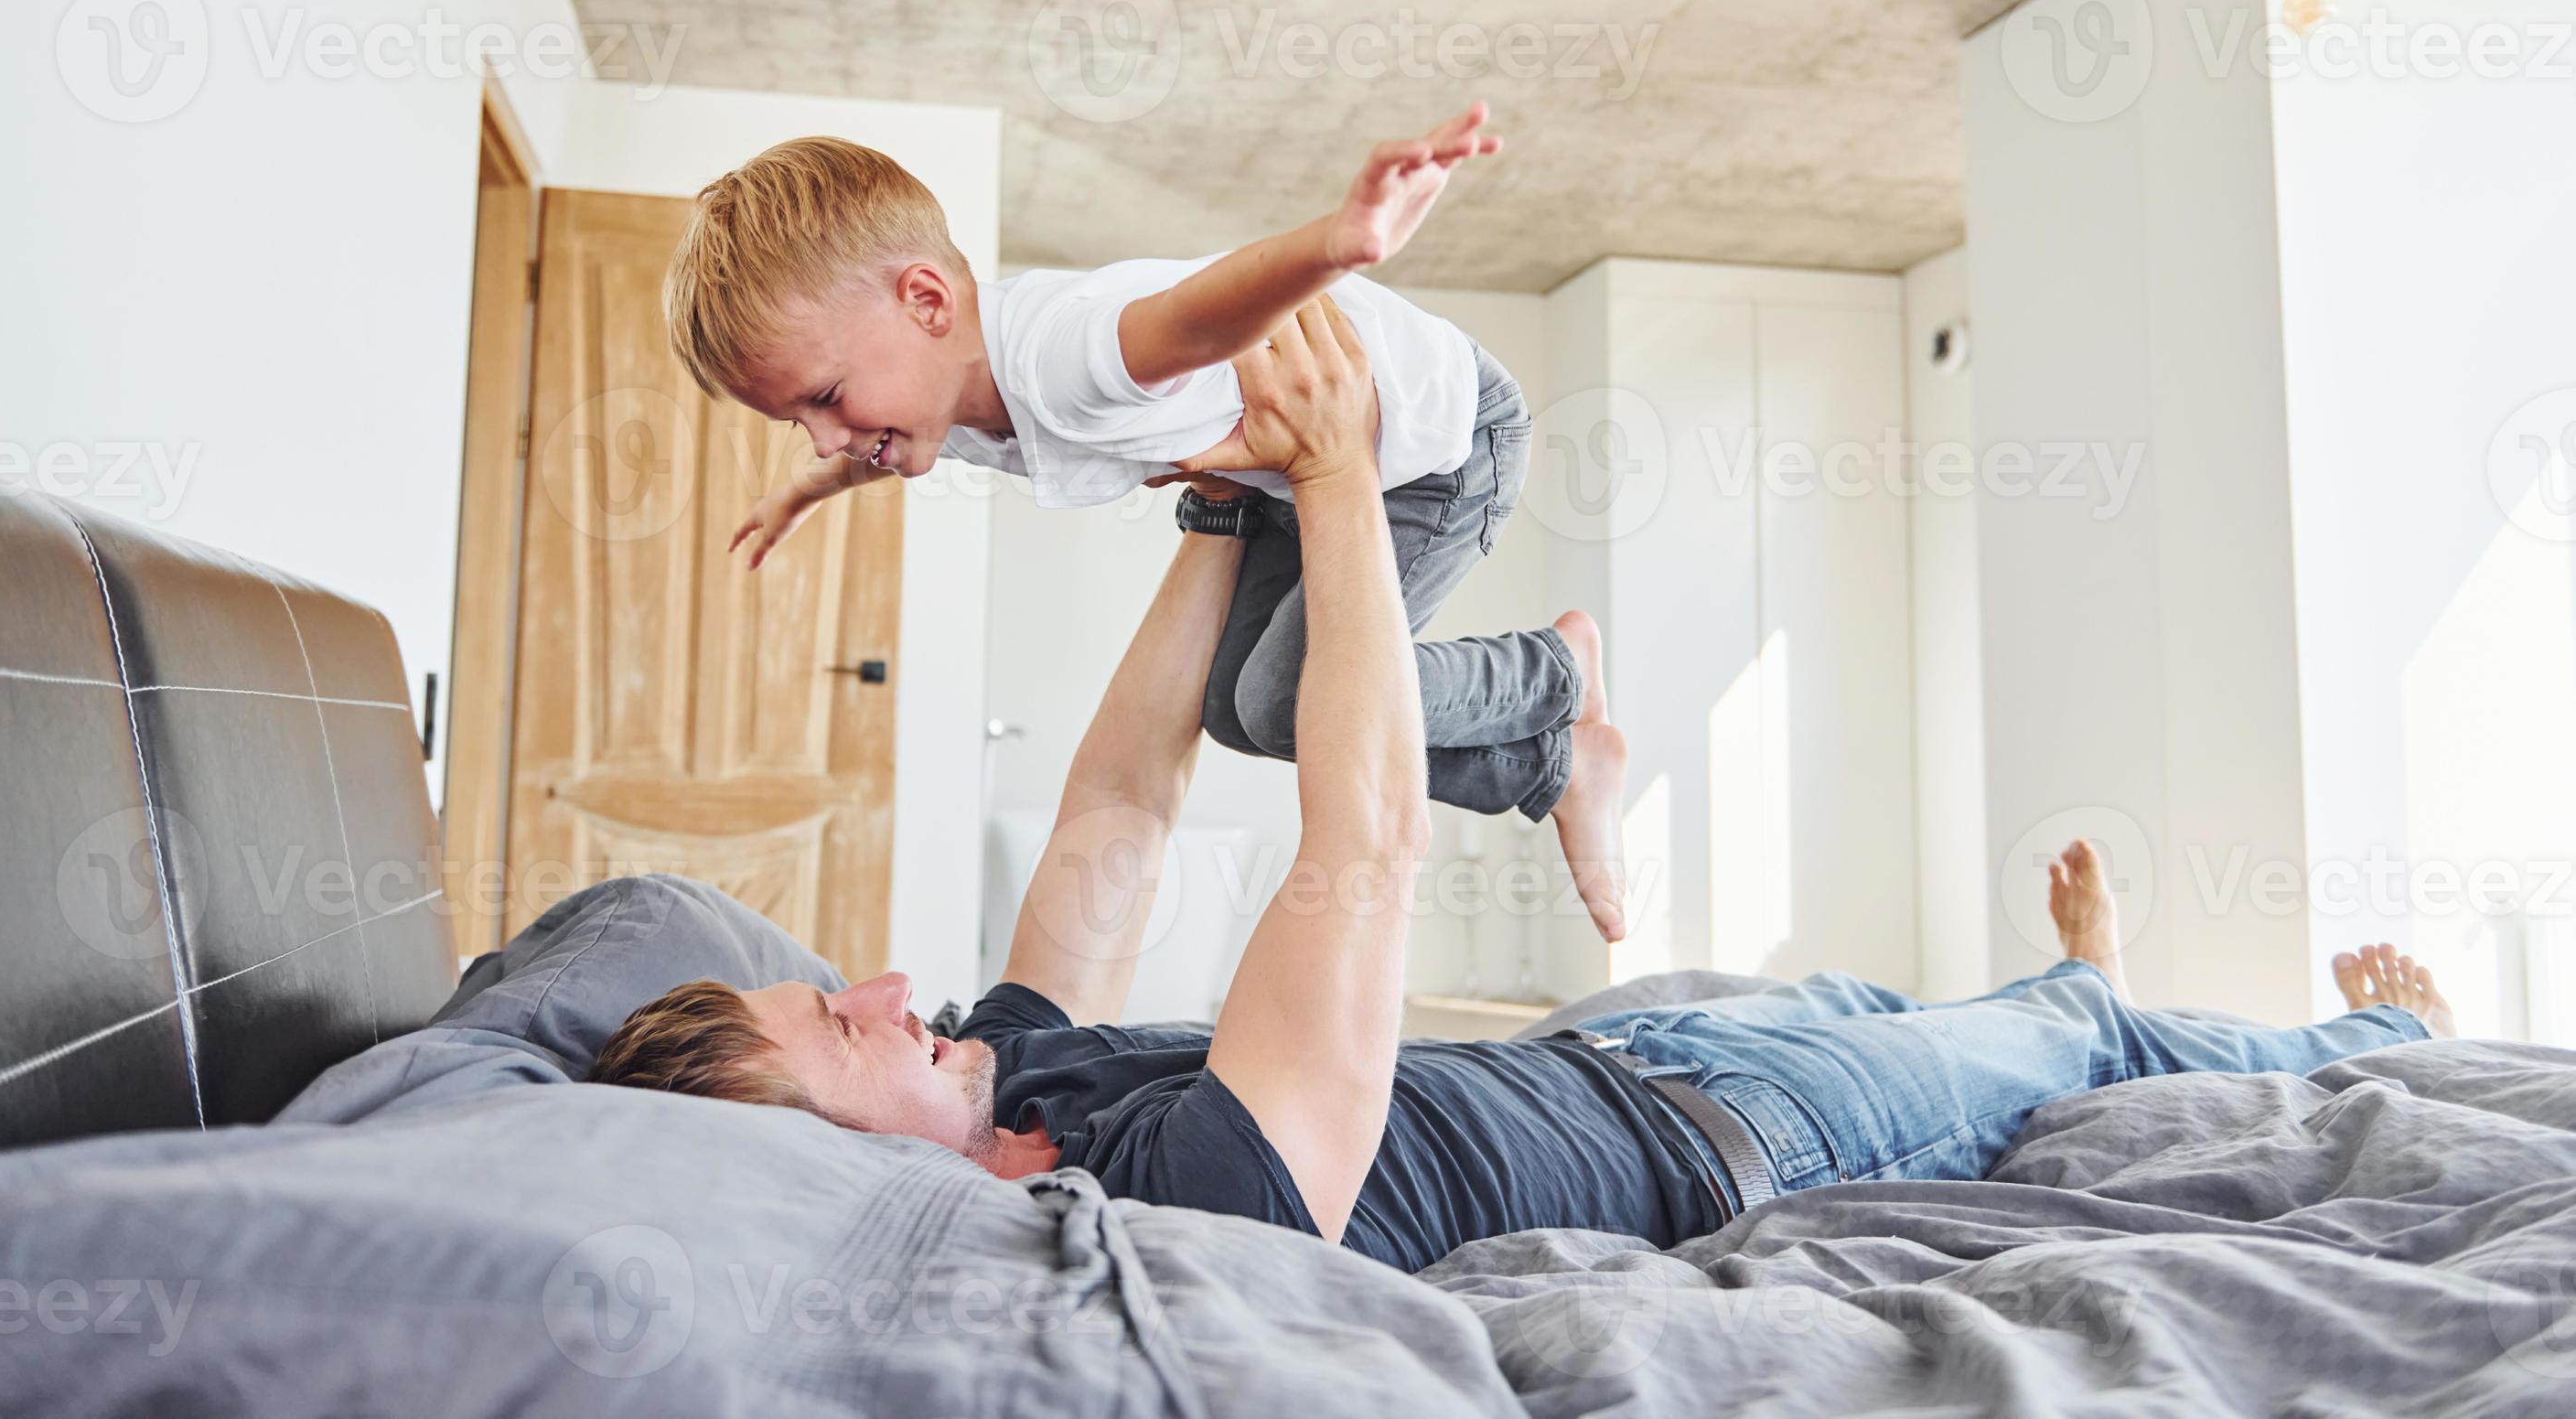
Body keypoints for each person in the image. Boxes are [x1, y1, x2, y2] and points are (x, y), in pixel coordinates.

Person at [591, 300, 2456, 1276]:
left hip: (1636, 1051)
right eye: (851, 1025)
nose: (896, 986)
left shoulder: (1008, 1073)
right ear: (837, 1170)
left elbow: (1117, 814)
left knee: (1899, 997)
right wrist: (1330, 483)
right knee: (2052, 1041)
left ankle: (2091, 982)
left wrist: (1223, 509)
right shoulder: (1170, 1200)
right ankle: (2372, 1036)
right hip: (1742, 1141)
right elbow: (1366, 840)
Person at [658, 103, 1628, 939]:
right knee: (1235, 711)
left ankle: (1556, 672)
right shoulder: (939, 393)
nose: (828, 437)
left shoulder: (1061, 356)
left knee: (1298, 701)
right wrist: (805, 491)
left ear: (924, 299)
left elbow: (1196, 316)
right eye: (800, 421)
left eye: (826, 397)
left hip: (1438, 447)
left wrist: (1337, 241)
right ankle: (1555, 760)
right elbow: (881, 455)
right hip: (1295, 477)